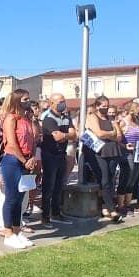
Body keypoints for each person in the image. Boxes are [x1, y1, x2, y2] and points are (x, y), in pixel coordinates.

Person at [0, 89, 38, 249]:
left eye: (29, 99)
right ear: (17, 101)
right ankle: (8, 233)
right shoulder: (10, 118)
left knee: (20, 198)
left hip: (26, 160)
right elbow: (12, 143)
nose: (28, 101)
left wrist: (32, 157)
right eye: (25, 99)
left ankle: (16, 230)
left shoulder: (27, 119)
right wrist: (24, 160)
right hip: (13, 161)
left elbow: (34, 140)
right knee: (11, 197)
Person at [87, 96, 125, 220]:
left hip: (113, 151)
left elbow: (119, 136)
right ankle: (111, 209)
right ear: (97, 106)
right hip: (100, 152)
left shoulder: (111, 118)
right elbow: (99, 133)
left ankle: (104, 207)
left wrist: (111, 133)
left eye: (107, 106)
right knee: (104, 180)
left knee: (111, 179)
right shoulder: (93, 116)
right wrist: (111, 134)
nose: (105, 108)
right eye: (103, 106)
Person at [40, 93, 76, 223]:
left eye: (64, 101)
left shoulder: (66, 117)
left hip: (61, 154)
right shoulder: (48, 118)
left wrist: (65, 135)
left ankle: (56, 212)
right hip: (50, 155)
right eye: (60, 101)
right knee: (48, 186)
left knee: (59, 185)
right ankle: (45, 216)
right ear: (52, 103)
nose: (63, 103)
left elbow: (74, 135)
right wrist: (67, 135)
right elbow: (57, 137)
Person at [118, 102, 139, 215]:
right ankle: (120, 205)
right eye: (138, 111)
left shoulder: (136, 122)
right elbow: (116, 139)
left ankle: (128, 204)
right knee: (126, 177)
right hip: (126, 154)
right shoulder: (123, 122)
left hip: (137, 153)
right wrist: (124, 146)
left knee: (133, 179)